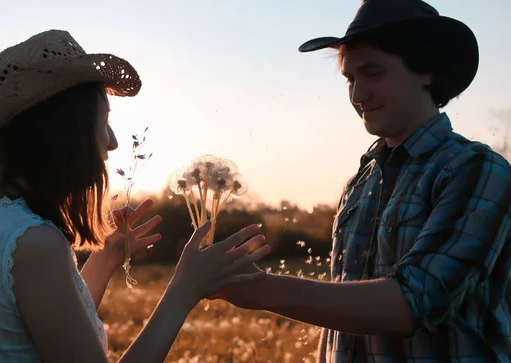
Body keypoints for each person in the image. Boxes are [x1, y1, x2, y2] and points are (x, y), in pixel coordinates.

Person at [0, 29, 271, 363]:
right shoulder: (33, 242)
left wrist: (107, 257)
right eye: (103, 121)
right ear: (63, 132)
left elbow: (52, 332)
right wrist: (184, 289)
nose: (112, 142)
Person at [212, 1, 511, 362]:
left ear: (426, 71)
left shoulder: (477, 170)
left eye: (373, 74)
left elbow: (414, 303)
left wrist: (261, 290)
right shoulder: (358, 183)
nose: (356, 95)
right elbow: (342, 321)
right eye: (351, 79)